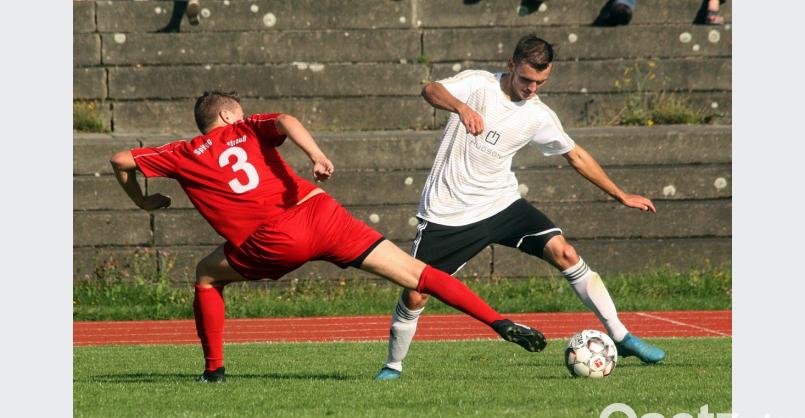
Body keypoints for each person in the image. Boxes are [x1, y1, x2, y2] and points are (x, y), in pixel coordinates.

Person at [110, 91, 548, 383]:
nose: (241, 117)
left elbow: (120, 159)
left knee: (207, 275)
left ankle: (214, 371)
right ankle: (499, 321)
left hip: (274, 242)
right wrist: (317, 155)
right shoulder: (245, 129)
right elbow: (286, 119)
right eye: (238, 111)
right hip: (320, 212)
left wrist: (142, 203)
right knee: (417, 274)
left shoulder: (182, 152)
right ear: (227, 115)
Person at [374, 34, 666, 381]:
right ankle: (393, 366)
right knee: (416, 293)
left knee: (566, 253)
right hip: (448, 212)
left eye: (540, 82)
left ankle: (621, 336)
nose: (531, 88)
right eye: (526, 79)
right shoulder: (478, 84)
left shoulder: (538, 115)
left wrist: (620, 194)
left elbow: (575, 155)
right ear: (511, 65)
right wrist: (462, 108)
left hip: (502, 204)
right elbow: (430, 89)